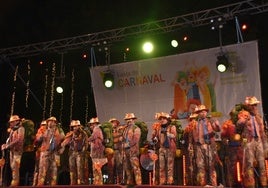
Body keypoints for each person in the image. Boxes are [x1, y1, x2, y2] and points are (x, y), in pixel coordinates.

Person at [236, 96, 268, 187]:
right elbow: (238, 125)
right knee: (249, 164)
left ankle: (264, 184)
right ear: (248, 106)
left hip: (258, 141)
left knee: (262, 163)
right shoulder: (244, 114)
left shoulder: (258, 116)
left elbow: (262, 132)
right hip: (249, 142)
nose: (255, 107)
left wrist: (266, 147)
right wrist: (243, 119)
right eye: (253, 105)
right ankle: (251, 185)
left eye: (255, 105)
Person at [190, 104, 220, 186]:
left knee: (211, 165)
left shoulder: (210, 121)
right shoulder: (195, 123)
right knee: (200, 166)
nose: (203, 113)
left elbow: (217, 129)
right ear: (198, 113)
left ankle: (213, 184)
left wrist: (216, 124)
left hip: (209, 145)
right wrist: (192, 146)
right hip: (199, 146)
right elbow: (192, 136)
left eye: (204, 111)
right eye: (200, 112)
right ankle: (202, 184)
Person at [36, 116, 65, 186]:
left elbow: (63, 138)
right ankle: (41, 183)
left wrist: (58, 138)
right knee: (42, 168)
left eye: (52, 121)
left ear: (55, 123)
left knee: (54, 168)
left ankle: (53, 183)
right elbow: (38, 139)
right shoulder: (43, 129)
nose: (50, 123)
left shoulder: (59, 130)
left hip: (55, 152)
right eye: (49, 121)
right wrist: (42, 135)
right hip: (45, 151)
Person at [152, 112, 177, 185]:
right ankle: (162, 181)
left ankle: (170, 181)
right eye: (160, 119)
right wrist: (155, 139)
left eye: (164, 118)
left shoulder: (172, 127)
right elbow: (156, 137)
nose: (162, 120)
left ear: (167, 119)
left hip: (170, 148)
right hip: (161, 148)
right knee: (161, 166)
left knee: (170, 166)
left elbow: (174, 136)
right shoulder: (158, 128)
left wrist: (167, 133)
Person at [61, 120, 88, 185]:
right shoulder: (70, 134)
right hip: (72, 153)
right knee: (72, 168)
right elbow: (64, 142)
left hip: (79, 153)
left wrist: (83, 151)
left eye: (76, 126)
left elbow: (86, 143)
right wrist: (62, 145)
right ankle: (73, 182)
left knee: (79, 168)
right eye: (73, 127)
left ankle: (80, 182)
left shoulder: (83, 134)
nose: (75, 128)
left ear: (79, 126)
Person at [1, 115, 25, 186]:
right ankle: (14, 181)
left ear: (17, 121)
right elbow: (9, 140)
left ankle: (15, 182)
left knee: (15, 166)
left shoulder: (21, 129)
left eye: (12, 122)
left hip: (17, 151)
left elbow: (19, 139)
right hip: (12, 150)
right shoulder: (12, 130)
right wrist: (5, 145)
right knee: (12, 166)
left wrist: (8, 145)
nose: (10, 123)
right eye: (10, 122)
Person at [121, 113, 142, 185]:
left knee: (135, 167)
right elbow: (123, 138)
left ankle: (138, 182)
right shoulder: (125, 129)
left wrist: (128, 144)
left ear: (133, 120)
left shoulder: (136, 128)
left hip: (133, 150)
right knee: (127, 167)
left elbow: (136, 139)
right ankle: (130, 182)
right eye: (127, 119)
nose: (128, 121)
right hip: (125, 150)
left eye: (130, 119)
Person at [88, 117, 107, 185]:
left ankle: (98, 182)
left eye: (91, 124)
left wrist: (87, 140)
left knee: (97, 168)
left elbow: (93, 137)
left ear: (94, 124)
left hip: (97, 152)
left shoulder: (97, 129)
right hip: (97, 152)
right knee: (96, 168)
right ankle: (97, 181)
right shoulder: (98, 129)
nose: (91, 126)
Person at [32, 120, 47, 186]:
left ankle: (44, 183)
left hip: (46, 152)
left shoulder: (48, 131)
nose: (43, 127)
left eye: (44, 125)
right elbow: (37, 140)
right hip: (39, 152)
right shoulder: (39, 131)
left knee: (44, 168)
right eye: (42, 125)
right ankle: (35, 183)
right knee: (38, 167)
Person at [109, 118, 123, 184]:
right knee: (110, 168)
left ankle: (121, 181)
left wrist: (114, 139)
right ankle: (110, 182)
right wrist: (115, 138)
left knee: (119, 166)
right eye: (112, 122)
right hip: (111, 151)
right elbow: (110, 139)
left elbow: (120, 138)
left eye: (114, 122)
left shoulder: (120, 130)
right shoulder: (109, 132)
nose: (113, 123)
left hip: (118, 151)